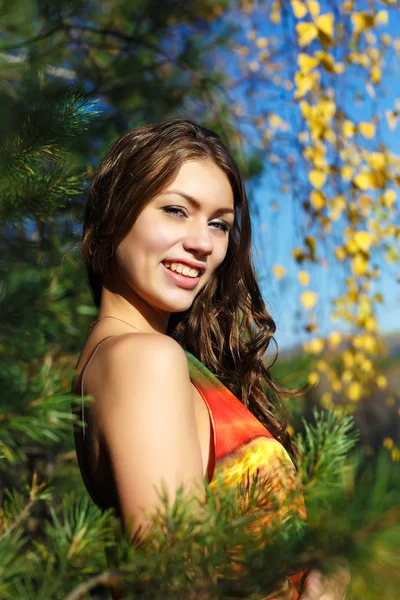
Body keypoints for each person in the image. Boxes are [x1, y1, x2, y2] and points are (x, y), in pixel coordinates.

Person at [72, 119, 347, 599]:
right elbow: (175, 587)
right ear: (115, 213)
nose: (203, 243)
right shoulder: (143, 360)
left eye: (218, 223)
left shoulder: (128, 356)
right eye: (176, 210)